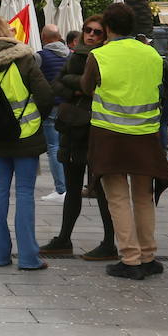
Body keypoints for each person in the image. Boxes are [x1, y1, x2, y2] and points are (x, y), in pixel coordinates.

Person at [84, 3, 168, 281]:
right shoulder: (153, 55)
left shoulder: (99, 55)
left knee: (118, 198)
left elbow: (87, 87)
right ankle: (149, 256)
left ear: (107, 28)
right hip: (145, 134)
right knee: (144, 196)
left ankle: (130, 259)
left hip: (110, 135)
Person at [0, 18, 54, 271]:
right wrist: (36, 118)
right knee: (25, 193)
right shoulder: (24, 59)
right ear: (7, 34)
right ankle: (28, 257)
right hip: (25, 134)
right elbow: (46, 96)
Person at [40, 16, 117, 261]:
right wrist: (81, 85)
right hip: (74, 129)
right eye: (88, 30)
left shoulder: (108, 56)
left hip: (99, 128)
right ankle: (64, 238)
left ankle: (108, 242)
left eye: (97, 31)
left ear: (106, 35)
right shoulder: (76, 55)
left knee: (104, 190)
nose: (91, 35)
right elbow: (57, 85)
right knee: (73, 188)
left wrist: (76, 85)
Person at [37, 25, 71, 203]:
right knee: (66, 147)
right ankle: (69, 187)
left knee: (53, 147)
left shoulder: (40, 56)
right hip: (69, 106)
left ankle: (60, 189)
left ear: (44, 37)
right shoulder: (70, 55)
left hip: (51, 106)